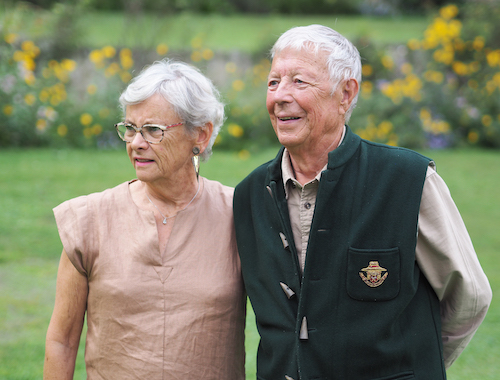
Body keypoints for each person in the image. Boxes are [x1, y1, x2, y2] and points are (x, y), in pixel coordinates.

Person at [233, 24, 492, 380]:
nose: (279, 96)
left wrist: (415, 364)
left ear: (345, 93)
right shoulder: (250, 194)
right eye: (273, 81)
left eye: (299, 81)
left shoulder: (408, 180)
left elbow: (469, 296)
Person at [44, 59, 245, 379]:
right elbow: (62, 342)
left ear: (202, 135)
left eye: (153, 130)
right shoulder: (88, 221)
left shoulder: (240, 215)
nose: (137, 143)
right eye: (130, 128)